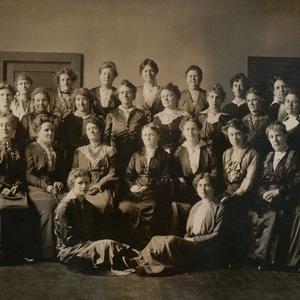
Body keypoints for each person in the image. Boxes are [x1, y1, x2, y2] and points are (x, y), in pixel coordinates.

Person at [125, 173, 224, 276]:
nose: (202, 189)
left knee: (171, 241)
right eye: (200, 185)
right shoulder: (196, 206)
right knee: (156, 239)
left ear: (213, 188)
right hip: (191, 243)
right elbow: (188, 231)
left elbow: (217, 234)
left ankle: (137, 262)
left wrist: (194, 240)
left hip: (204, 248)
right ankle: (139, 259)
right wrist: (188, 239)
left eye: (206, 185)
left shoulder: (219, 208)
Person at [55, 168, 138, 275]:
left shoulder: (86, 204)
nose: (84, 186)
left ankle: (141, 258)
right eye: (80, 183)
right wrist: (93, 244)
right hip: (70, 251)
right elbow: (68, 241)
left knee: (119, 247)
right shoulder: (65, 206)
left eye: (87, 183)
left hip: (85, 246)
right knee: (108, 245)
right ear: (72, 185)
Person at [248, 122, 300, 270]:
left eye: (278, 136)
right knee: (259, 213)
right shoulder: (267, 156)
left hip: (287, 195)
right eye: (271, 137)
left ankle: (270, 260)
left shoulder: (294, 156)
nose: (275, 140)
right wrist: (264, 193)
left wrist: (278, 191)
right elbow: (258, 181)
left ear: (285, 136)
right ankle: (258, 257)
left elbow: (297, 180)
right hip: (266, 196)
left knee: (276, 214)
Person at [118, 123, 172, 249]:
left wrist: (148, 186)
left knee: (152, 208)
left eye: (151, 135)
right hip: (135, 192)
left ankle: (148, 246)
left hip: (155, 192)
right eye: (145, 135)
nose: (148, 138)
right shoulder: (137, 155)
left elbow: (166, 178)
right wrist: (132, 186)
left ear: (158, 136)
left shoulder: (165, 156)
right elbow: (127, 175)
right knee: (124, 207)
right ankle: (131, 247)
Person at [25, 115, 66, 259]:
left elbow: (61, 173)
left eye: (52, 130)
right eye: (46, 130)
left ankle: (65, 248)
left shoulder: (58, 149)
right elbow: (28, 175)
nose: (50, 133)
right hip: (35, 187)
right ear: (38, 132)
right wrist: (46, 186)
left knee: (66, 202)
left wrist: (59, 182)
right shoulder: (31, 148)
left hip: (53, 187)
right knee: (49, 205)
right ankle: (48, 252)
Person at [221, 118, 258, 266]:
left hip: (245, 194)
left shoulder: (252, 154)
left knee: (234, 213)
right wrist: (226, 195)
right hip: (228, 192)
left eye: (237, 134)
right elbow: (225, 179)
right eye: (231, 135)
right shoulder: (226, 153)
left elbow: (248, 180)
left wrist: (234, 195)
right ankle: (223, 255)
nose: (234, 138)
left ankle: (237, 257)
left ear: (244, 134)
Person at [0, 113, 31, 264]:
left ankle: (17, 252)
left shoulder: (18, 147)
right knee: (3, 209)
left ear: (13, 130)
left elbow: (22, 171)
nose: (4, 128)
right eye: (1, 125)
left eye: (7, 125)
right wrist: (2, 188)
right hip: (0, 188)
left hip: (15, 186)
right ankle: (3, 253)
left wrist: (17, 185)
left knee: (22, 208)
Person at [72, 116, 118, 213]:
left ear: (100, 131)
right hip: (82, 188)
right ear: (86, 132)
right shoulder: (79, 151)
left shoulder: (109, 150)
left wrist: (99, 185)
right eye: (89, 129)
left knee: (103, 205)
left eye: (95, 128)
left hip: (102, 188)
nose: (91, 131)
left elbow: (113, 173)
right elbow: (73, 172)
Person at [104, 80, 146, 174]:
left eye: (128, 92)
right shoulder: (112, 114)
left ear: (133, 95)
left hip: (136, 153)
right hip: (116, 155)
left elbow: (145, 135)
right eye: (122, 92)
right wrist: (107, 149)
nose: (125, 95)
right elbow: (106, 137)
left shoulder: (141, 114)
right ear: (118, 96)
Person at [173, 116, 216, 205]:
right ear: (183, 131)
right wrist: (180, 178)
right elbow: (174, 168)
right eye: (187, 129)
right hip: (185, 191)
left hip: (205, 190)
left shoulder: (208, 147)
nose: (190, 132)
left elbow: (214, 168)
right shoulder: (179, 149)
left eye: (193, 129)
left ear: (199, 130)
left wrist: (207, 179)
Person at [62, 88, 96, 172]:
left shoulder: (97, 120)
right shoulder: (67, 119)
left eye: (84, 99)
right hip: (70, 159)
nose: (80, 103)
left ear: (90, 101)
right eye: (78, 99)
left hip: (90, 158)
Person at [198, 83, 231, 165]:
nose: (214, 101)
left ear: (222, 100)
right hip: (202, 156)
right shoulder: (200, 117)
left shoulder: (226, 118)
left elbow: (230, 142)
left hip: (222, 156)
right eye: (211, 97)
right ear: (207, 98)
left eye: (218, 98)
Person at [153, 82, 189, 153]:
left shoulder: (185, 115)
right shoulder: (157, 117)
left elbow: (187, 137)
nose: (165, 99)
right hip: (162, 153)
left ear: (177, 97)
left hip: (181, 151)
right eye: (163, 96)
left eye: (169, 96)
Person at [242, 87, 271, 157]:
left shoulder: (268, 120)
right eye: (248, 101)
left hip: (264, 155)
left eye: (254, 100)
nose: (251, 103)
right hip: (248, 156)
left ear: (261, 101)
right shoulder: (244, 120)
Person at [0, 81, 23, 147]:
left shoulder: (16, 119)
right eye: (2, 95)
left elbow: (18, 140)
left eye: (8, 95)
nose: (5, 97)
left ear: (13, 97)